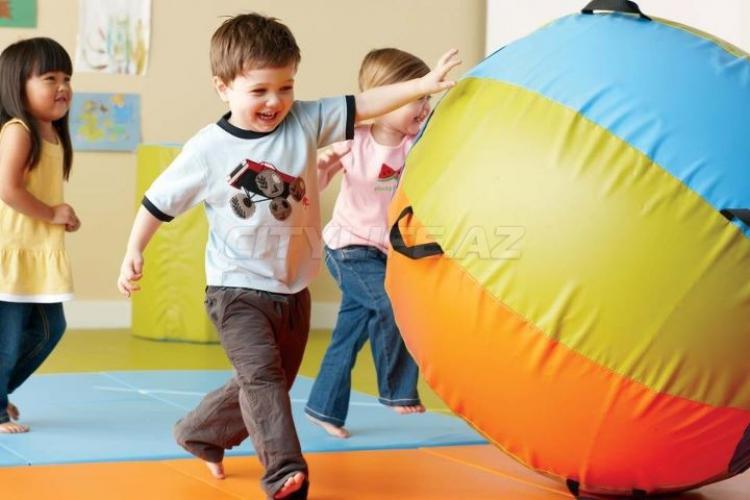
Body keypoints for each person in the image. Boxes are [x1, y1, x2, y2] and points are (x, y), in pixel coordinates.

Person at [116, 13, 459, 500]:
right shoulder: (208, 149)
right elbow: (158, 201)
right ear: (223, 88)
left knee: (269, 381)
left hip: (293, 287)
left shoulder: (305, 120)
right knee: (263, 379)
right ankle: (284, 474)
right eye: (259, 90)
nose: (274, 101)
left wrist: (423, 85)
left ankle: (199, 431)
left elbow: (366, 104)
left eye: (286, 87)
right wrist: (134, 249)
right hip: (235, 289)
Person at [305, 48, 432, 439]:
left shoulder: (415, 144)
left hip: (383, 251)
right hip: (347, 247)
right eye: (415, 98)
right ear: (383, 100)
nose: (424, 107)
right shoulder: (354, 140)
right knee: (392, 302)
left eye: (427, 97)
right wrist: (320, 167)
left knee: (349, 333)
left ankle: (323, 408)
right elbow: (316, 183)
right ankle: (396, 390)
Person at [0, 37, 80, 434]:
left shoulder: (51, 134)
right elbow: (8, 188)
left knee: (51, 329)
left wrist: (60, 215)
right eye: (50, 78)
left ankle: (0, 392)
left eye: (67, 78)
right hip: (13, 251)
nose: (62, 86)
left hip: (36, 251)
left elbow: (39, 190)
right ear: (17, 85)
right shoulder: (19, 131)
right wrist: (50, 213)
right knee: (9, 338)